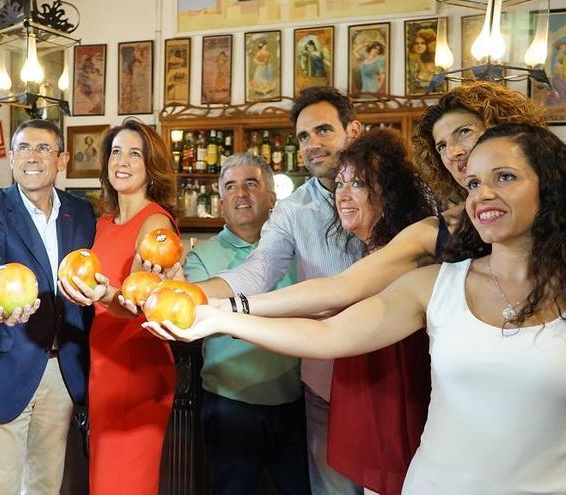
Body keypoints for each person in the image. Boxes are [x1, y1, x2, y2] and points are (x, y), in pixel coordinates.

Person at [146, 122, 566, 495]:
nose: (483, 194)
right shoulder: (436, 284)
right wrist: (217, 314)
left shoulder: (424, 252)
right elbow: (330, 323)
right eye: (472, 184)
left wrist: (225, 309)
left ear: (548, 185)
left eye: (505, 177)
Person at [233, 82, 547, 323]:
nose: (453, 152)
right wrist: (230, 307)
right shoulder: (438, 227)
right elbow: (341, 290)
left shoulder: (432, 205)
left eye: (464, 132)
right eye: (441, 145)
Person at [194, 86, 365, 495]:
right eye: (304, 136)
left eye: (323, 130)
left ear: (354, 131)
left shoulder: (399, 192)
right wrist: (189, 298)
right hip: (323, 382)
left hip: (388, 375)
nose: (312, 144)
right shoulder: (292, 211)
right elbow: (257, 271)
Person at [0, 119, 96, 495]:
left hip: (62, 370)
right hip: (4, 365)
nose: (31, 157)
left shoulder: (81, 212)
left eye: (43, 148)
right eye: (22, 148)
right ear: (10, 157)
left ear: (62, 159)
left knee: (45, 485)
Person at [57, 118, 179, 495]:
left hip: (138, 366)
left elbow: (145, 304)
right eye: (115, 151)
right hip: (104, 364)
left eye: (134, 153)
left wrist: (104, 293)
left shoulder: (156, 221)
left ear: (150, 166)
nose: (122, 161)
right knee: (104, 480)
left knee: (127, 483)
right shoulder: (105, 223)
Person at [183, 153, 310, 495]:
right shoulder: (200, 257)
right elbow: (199, 314)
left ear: (272, 198)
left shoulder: (300, 253)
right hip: (230, 408)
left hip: (295, 404)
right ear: (221, 201)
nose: (241, 194)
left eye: (251, 184)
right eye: (231, 186)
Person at [324, 128, 435, 495]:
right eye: (340, 183)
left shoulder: (402, 253)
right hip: (370, 392)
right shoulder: (373, 248)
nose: (344, 194)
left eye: (358, 183)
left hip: (393, 396)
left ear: (389, 192)